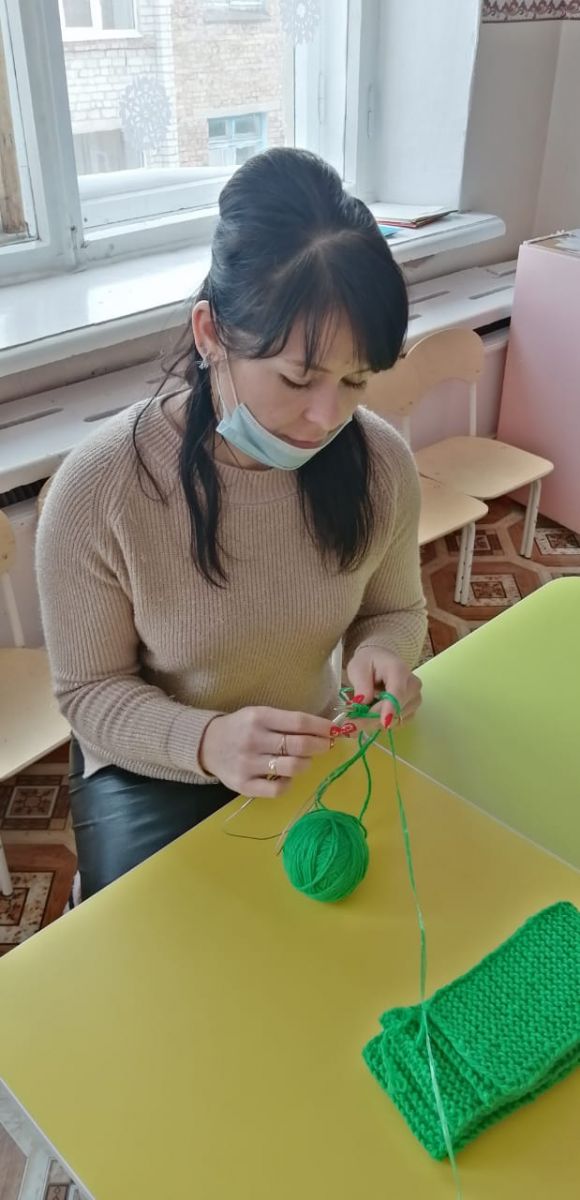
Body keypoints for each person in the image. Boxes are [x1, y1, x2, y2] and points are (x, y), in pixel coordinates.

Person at [36, 147, 427, 900]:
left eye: (355, 380)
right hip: (152, 762)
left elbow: (396, 609)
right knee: (167, 948)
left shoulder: (380, 464)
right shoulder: (101, 488)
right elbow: (89, 692)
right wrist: (208, 740)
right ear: (211, 333)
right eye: (297, 378)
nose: (328, 416)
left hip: (306, 737)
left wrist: (384, 655)